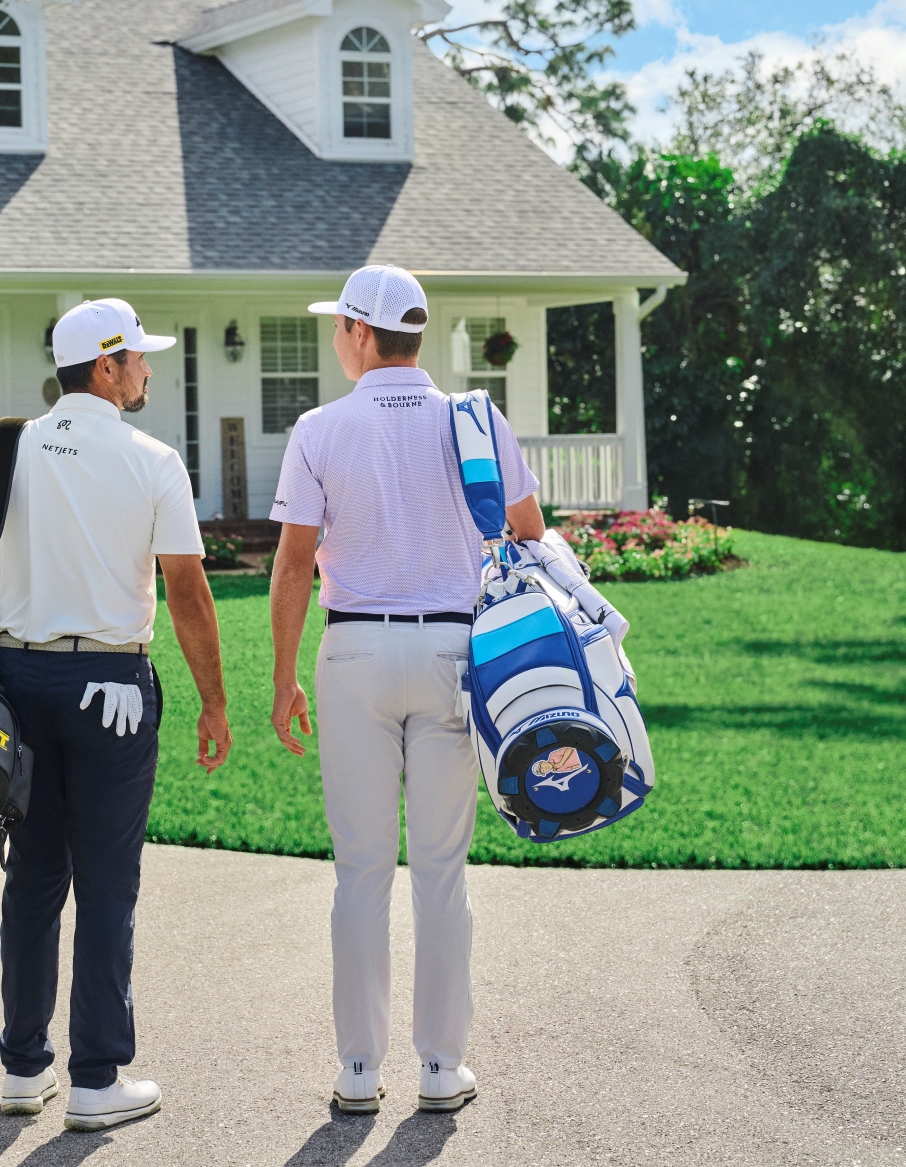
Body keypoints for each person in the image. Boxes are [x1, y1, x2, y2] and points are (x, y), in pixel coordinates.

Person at [266, 265, 544, 1114]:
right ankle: (439, 1066)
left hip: (353, 654)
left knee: (359, 870)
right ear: (414, 335)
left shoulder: (320, 427)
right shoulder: (476, 418)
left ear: (357, 331)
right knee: (441, 872)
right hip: (456, 656)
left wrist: (282, 678)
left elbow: (292, 564)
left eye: (337, 327)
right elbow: (528, 535)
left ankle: (358, 1068)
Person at [0, 297, 232, 1132]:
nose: (149, 369)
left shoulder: (9, 450)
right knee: (108, 882)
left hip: (18, 684)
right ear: (107, 367)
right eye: (140, 358)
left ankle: (22, 1067)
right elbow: (188, 588)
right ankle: (95, 1078)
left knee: (34, 875)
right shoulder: (153, 458)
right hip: (111, 688)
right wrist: (214, 699)